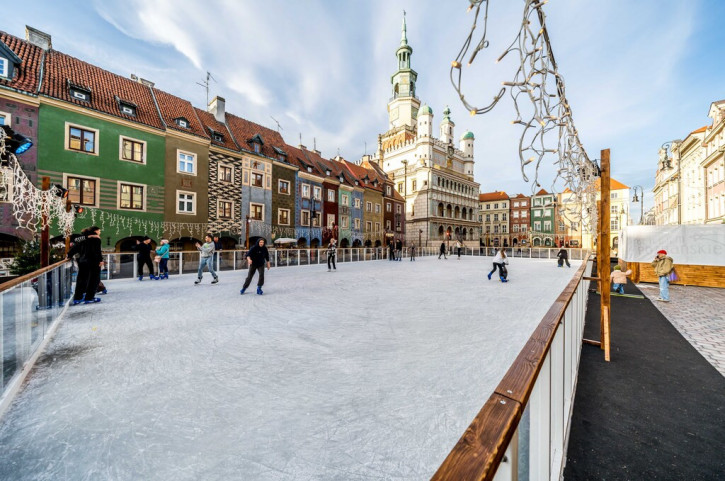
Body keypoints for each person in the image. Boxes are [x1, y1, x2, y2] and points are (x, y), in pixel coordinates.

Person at [69, 226, 104, 304]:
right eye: (99, 230)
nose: (100, 232)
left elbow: (76, 246)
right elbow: (97, 251)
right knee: (94, 280)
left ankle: (78, 297)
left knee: (81, 279)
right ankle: (89, 297)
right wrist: (101, 260)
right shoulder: (96, 239)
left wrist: (69, 255)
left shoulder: (83, 238)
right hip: (93, 262)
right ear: (95, 231)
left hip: (82, 261)